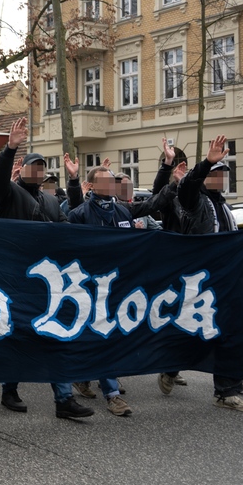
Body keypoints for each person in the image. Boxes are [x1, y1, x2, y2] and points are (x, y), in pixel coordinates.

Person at [0, 117, 92, 420]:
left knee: (54, 335)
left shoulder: (49, 200)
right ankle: (9, 391)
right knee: (18, 336)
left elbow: (68, 226)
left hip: (48, 281)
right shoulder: (8, 194)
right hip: (16, 276)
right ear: (23, 170)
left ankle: (63, 398)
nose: (40, 171)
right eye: (34, 166)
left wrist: (73, 183)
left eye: (44, 167)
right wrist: (9, 149)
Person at [159, 135, 243, 412]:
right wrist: (206, 163)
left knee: (229, 332)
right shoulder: (194, 201)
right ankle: (170, 366)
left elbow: (230, 239)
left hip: (226, 281)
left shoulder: (224, 205)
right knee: (194, 331)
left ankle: (228, 389)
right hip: (201, 281)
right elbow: (188, 187)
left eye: (223, 175)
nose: (221, 179)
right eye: (216, 174)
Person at [65, 165, 135, 417]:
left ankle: (84, 377)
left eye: (112, 181)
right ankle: (112, 395)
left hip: (118, 285)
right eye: (104, 181)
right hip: (91, 287)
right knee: (99, 335)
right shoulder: (79, 214)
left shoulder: (123, 211)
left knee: (108, 336)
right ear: (92, 185)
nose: (110, 185)